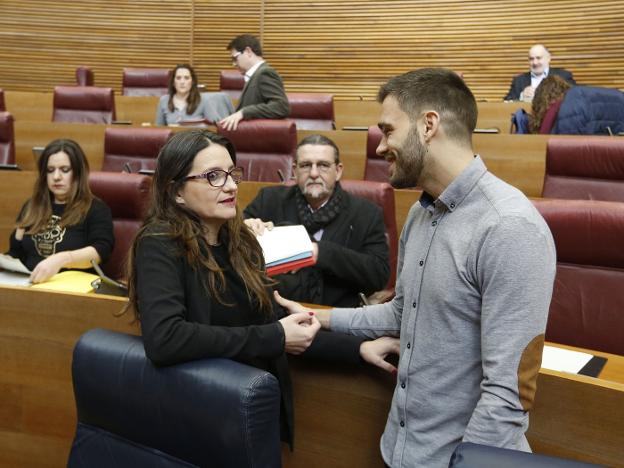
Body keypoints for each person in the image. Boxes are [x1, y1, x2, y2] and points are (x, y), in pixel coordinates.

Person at [276, 68, 557, 467]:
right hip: (398, 451)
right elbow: (400, 312)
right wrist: (318, 318)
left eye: (388, 130)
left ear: (428, 125)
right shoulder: (420, 215)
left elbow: (507, 395)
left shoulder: (510, 227)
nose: (379, 147)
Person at [124, 129, 371, 448]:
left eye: (231, 173)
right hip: (199, 413)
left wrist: (359, 349)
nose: (230, 185)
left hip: (252, 408)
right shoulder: (160, 242)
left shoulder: (243, 243)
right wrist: (275, 336)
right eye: (213, 176)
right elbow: (166, 339)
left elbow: (277, 325)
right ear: (176, 192)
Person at [244, 134, 390, 307]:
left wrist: (318, 252)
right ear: (294, 171)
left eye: (323, 165)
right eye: (306, 166)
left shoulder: (366, 213)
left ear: (338, 171)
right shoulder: (268, 200)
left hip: (335, 317)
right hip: (274, 312)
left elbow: (378, 275)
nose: (314, 173)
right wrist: (245, 231)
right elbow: (233, 252)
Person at [6, 139, 114, 283]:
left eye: (64, 170)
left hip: (72, 290)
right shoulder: (32, 206)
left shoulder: (96, 209)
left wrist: (63, 259)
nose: (56, 177)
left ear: (78, 173)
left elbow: (101, 251)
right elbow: (15, 252)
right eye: (50, 170)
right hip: (29, 286)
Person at [219, 34, 290, 131]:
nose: (234, 64)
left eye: (235, 58)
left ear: (248, 51)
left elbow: (281, 107)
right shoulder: (255, 75)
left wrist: (243, 112)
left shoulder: (265, 73)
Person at [155, 64, 234, 126]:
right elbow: (159, 130)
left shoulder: (203, 100)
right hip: (173, 143)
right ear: (173, 82)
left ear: (192, 82)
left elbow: (214, 127)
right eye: (178, 78)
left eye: (186, 78)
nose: (182, 82)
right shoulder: (164, 100)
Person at [504, 44, 575, 102]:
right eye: (531, 59)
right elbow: (506, 102)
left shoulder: (563, 76)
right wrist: (521, 96)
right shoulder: (519, 81)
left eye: (538, 58)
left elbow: (575, 98)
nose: (535, 62)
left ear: (548, 58)